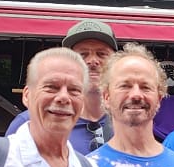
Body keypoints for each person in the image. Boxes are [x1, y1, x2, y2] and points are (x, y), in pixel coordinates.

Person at [6, 19, 114, 154]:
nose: (93, 61)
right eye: (83, 54)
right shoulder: (30, 123)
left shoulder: (129, 122)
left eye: (102, 54)